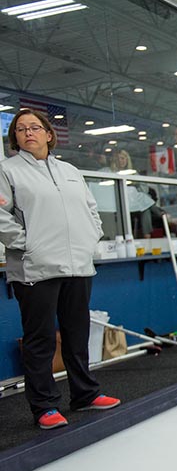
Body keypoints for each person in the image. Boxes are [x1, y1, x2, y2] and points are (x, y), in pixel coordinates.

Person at [0, 108, 120, 430]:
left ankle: (85, 394)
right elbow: (1, 216)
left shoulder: (69, 170)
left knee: (77, 334)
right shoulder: (7, 171)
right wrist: (27, 243)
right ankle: (44, 406)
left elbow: (91, 210)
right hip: (35, 267)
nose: (29, 133)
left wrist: (89, 237)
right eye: (21, 129)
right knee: (40, 340)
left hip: (78, 265)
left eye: (35, 127)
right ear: (15, 137)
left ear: (49, 134)